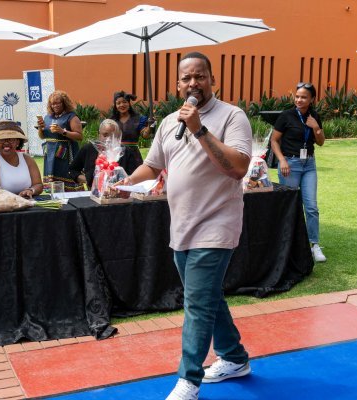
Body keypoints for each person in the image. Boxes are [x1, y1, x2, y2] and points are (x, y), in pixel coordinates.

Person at [117, 52, 251, 400]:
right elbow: (152, 165)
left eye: (200, 76)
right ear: (178, 85)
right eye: (187, 78)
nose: (194, 83)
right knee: (207, 297)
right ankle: (235, 357)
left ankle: (188, 381)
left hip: (217, 224)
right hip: (182, 226)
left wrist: (199, 130)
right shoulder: (168, 123)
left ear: (212, 80)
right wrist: (125, 182)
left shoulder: (232, 117)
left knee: (197, 303)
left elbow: (238, 168)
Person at [270, 82, 327, 262]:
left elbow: (321, 142)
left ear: (312, 99)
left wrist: (315, 127)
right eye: (297, 96)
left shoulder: (314, 116)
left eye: (303, 97)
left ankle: (314, 245)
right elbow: (274, 140)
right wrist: (282, 160)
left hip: (309, 164)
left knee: (311, 207)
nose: (299, 100)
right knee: (290, 205)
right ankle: (288, 245)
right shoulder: (286, 116)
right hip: (290, 164)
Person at [68, 119, 141, 188]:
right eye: (105, 135)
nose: (108, 139)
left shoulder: (126, 152)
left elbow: (135, 175)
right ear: (99, 134)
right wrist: (87, 179)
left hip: (119, 191)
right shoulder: (88, 149)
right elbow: (73, 170)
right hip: (93, 192)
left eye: (113, 136)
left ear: (118, 137)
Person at [0, 120, 43, 199]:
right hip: (2, 203)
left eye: (11, 139)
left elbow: (38, 185)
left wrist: (31, 190)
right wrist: (16, 199)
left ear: (18, 142)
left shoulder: (27, 159)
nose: (6, 142)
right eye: (1, 139)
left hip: (27, 202)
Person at [36, 90, 84, 191]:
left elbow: (79, 136)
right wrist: (40, 128)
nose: (55, 106)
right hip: (50, 155)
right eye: (52, 103)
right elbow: (42, 136)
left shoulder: (71, 117)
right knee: (53, 184)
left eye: (58, 103)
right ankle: (56, 197)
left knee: (67, 179)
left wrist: (63, 131)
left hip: (66, 155)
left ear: (64, 103)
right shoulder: (48, 117)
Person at [110, 90, 150, 173]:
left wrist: (150, 126)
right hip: (116, 156)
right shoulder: (112, 121)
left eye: (124, 102)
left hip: (133, 156)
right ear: (115, 105)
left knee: (134, 178)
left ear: (129, 103)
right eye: (118, 103)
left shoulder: (139, 119)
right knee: (116, 178)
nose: (122, 105)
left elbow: (145, 135)